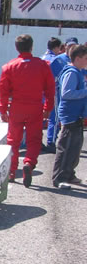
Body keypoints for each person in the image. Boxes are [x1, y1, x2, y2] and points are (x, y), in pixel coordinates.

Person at [0, 34, 55, 187]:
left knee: (13, 141)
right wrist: (48, 107)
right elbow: (50, 89)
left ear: (17, 48)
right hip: (35, 107)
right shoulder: (43, 65)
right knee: (34, 140)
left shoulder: (9, 66)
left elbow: (3, 90)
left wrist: (2, 109)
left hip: (16, 107)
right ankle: (29, 162)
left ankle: (11, 172)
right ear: (32, 47)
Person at [52, 44, 87, 189]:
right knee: (65, 149)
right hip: (70, 117)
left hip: (76, 117)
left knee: (75, 148)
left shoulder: (77, 71)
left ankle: (69, 174)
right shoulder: (71, 73)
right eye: (85, 58)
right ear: (77, 58)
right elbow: (66, 93)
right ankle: (59, 178)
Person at [44, 37, 79, 151]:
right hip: (57, 92)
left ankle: (65, 141)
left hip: (72, 95)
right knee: (55, 117)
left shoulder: (79, 60)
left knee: (67, 118)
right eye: (69, 46)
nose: (71, 48)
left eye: (74, 46)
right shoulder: (59, 59)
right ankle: (51, 142)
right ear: (65, 46)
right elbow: (50, 77)